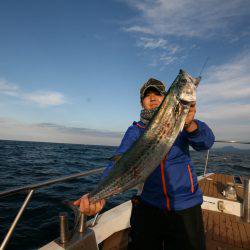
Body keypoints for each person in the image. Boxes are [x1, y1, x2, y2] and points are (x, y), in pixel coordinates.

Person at [74, 78, 215, 250]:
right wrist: (99, 193)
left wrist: (190, 124)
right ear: (142, 103)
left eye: (157, 93)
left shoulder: (181, 123)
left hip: (185, 205)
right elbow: (119, 160)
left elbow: (206, 143)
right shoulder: (135, 130)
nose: (153, 97)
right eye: (147, 95)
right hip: (148, 205)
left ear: (166, 98)